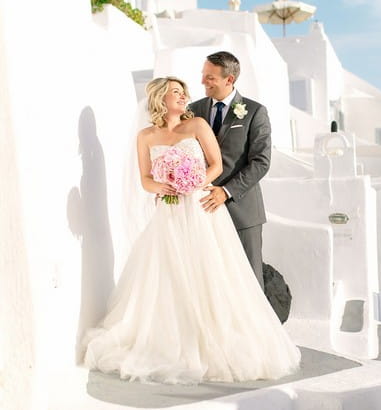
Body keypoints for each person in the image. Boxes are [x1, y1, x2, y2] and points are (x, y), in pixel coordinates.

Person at [83, 76, 300, 384]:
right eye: (176, 92)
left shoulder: (197, 125)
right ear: (161, 98)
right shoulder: (145, 136)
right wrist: (162, 185)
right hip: (169, 212)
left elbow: (216, 165)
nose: (184, 96)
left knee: (210, 271)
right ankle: (172, 341)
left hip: (200, 209)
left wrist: (194, 182)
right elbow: (145, 178)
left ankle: (218, 339)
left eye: (184, 91)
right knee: (171, 274)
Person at [188, 51, 270, 289]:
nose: (203, 81)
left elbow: (261, 161)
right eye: (203, 75)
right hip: (203, 210)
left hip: (242, 210)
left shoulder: (255, 112)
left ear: (229, 80)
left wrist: (225, 191)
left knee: (249, 279)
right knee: (209, 279)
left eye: (210, 77)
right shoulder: (193, 110)